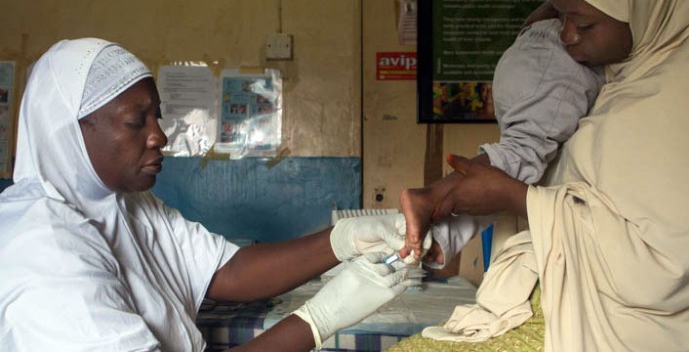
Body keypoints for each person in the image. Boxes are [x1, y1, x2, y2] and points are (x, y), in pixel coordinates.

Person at [0, 38, 422, 352]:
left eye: (158, 116)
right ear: (71, 132)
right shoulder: (42, 253)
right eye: (136, 121)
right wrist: (317, 319)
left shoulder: (123, 203)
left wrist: (345, 238)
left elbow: (226, 272)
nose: (159, 136)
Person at [403, 0, 689, 350]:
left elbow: (666, 271)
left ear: (647, 4)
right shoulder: (626, 71)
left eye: (584, 24)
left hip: (642, 329)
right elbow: (530, 150)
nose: (566, 35)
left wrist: (515, 197)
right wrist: (444, 203)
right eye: (558, 15)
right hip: (564, 300)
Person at [402, 16, 605, 269]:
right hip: (555, 60)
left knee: (526, 166)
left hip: (525, 51)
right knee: (523, 149)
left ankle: (445, 234)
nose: (572, 33)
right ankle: (430, 196)